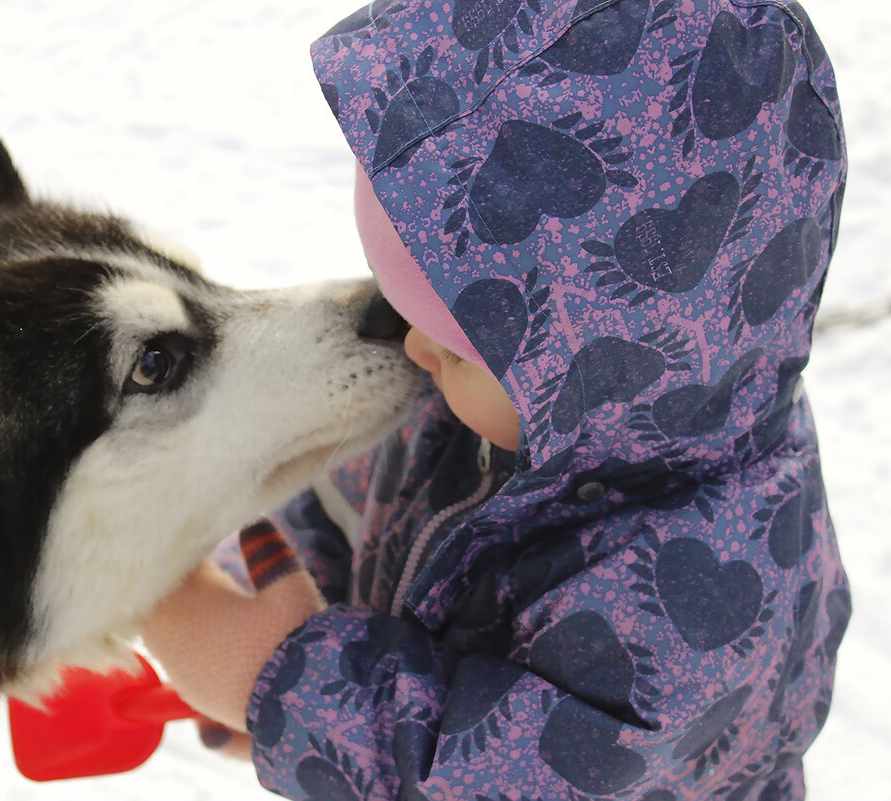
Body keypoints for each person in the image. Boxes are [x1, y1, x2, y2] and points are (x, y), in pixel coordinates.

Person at [142, 1, 852, 799]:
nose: (416, 352)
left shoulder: (693, 614)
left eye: (452, 346)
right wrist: (255, 584)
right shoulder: (514, 412)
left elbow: (477, 782)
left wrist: (282, 686)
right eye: (409, 312)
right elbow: (355, 504)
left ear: (599, 371)